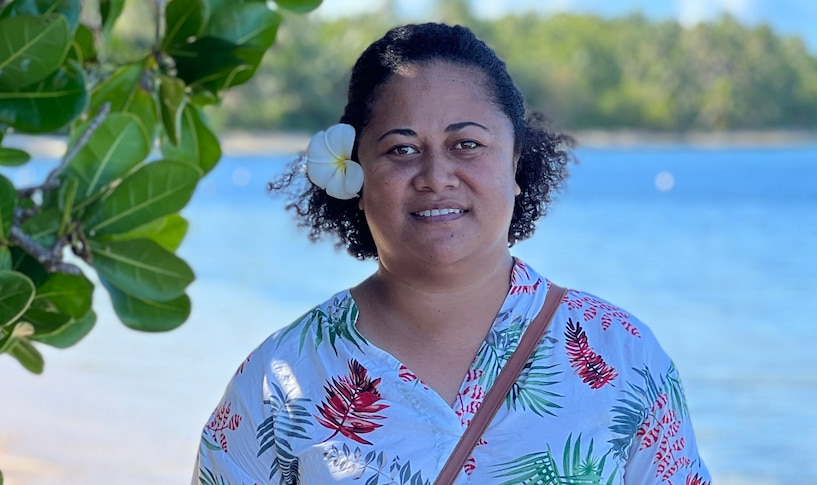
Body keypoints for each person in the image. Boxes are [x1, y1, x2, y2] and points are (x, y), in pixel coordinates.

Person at [194, 23, 711, 485]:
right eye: (401, 149)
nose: (436, 176)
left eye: (466, 144)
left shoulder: (622, 357)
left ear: (516, 161)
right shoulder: (282, 378)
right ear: (356, 172)